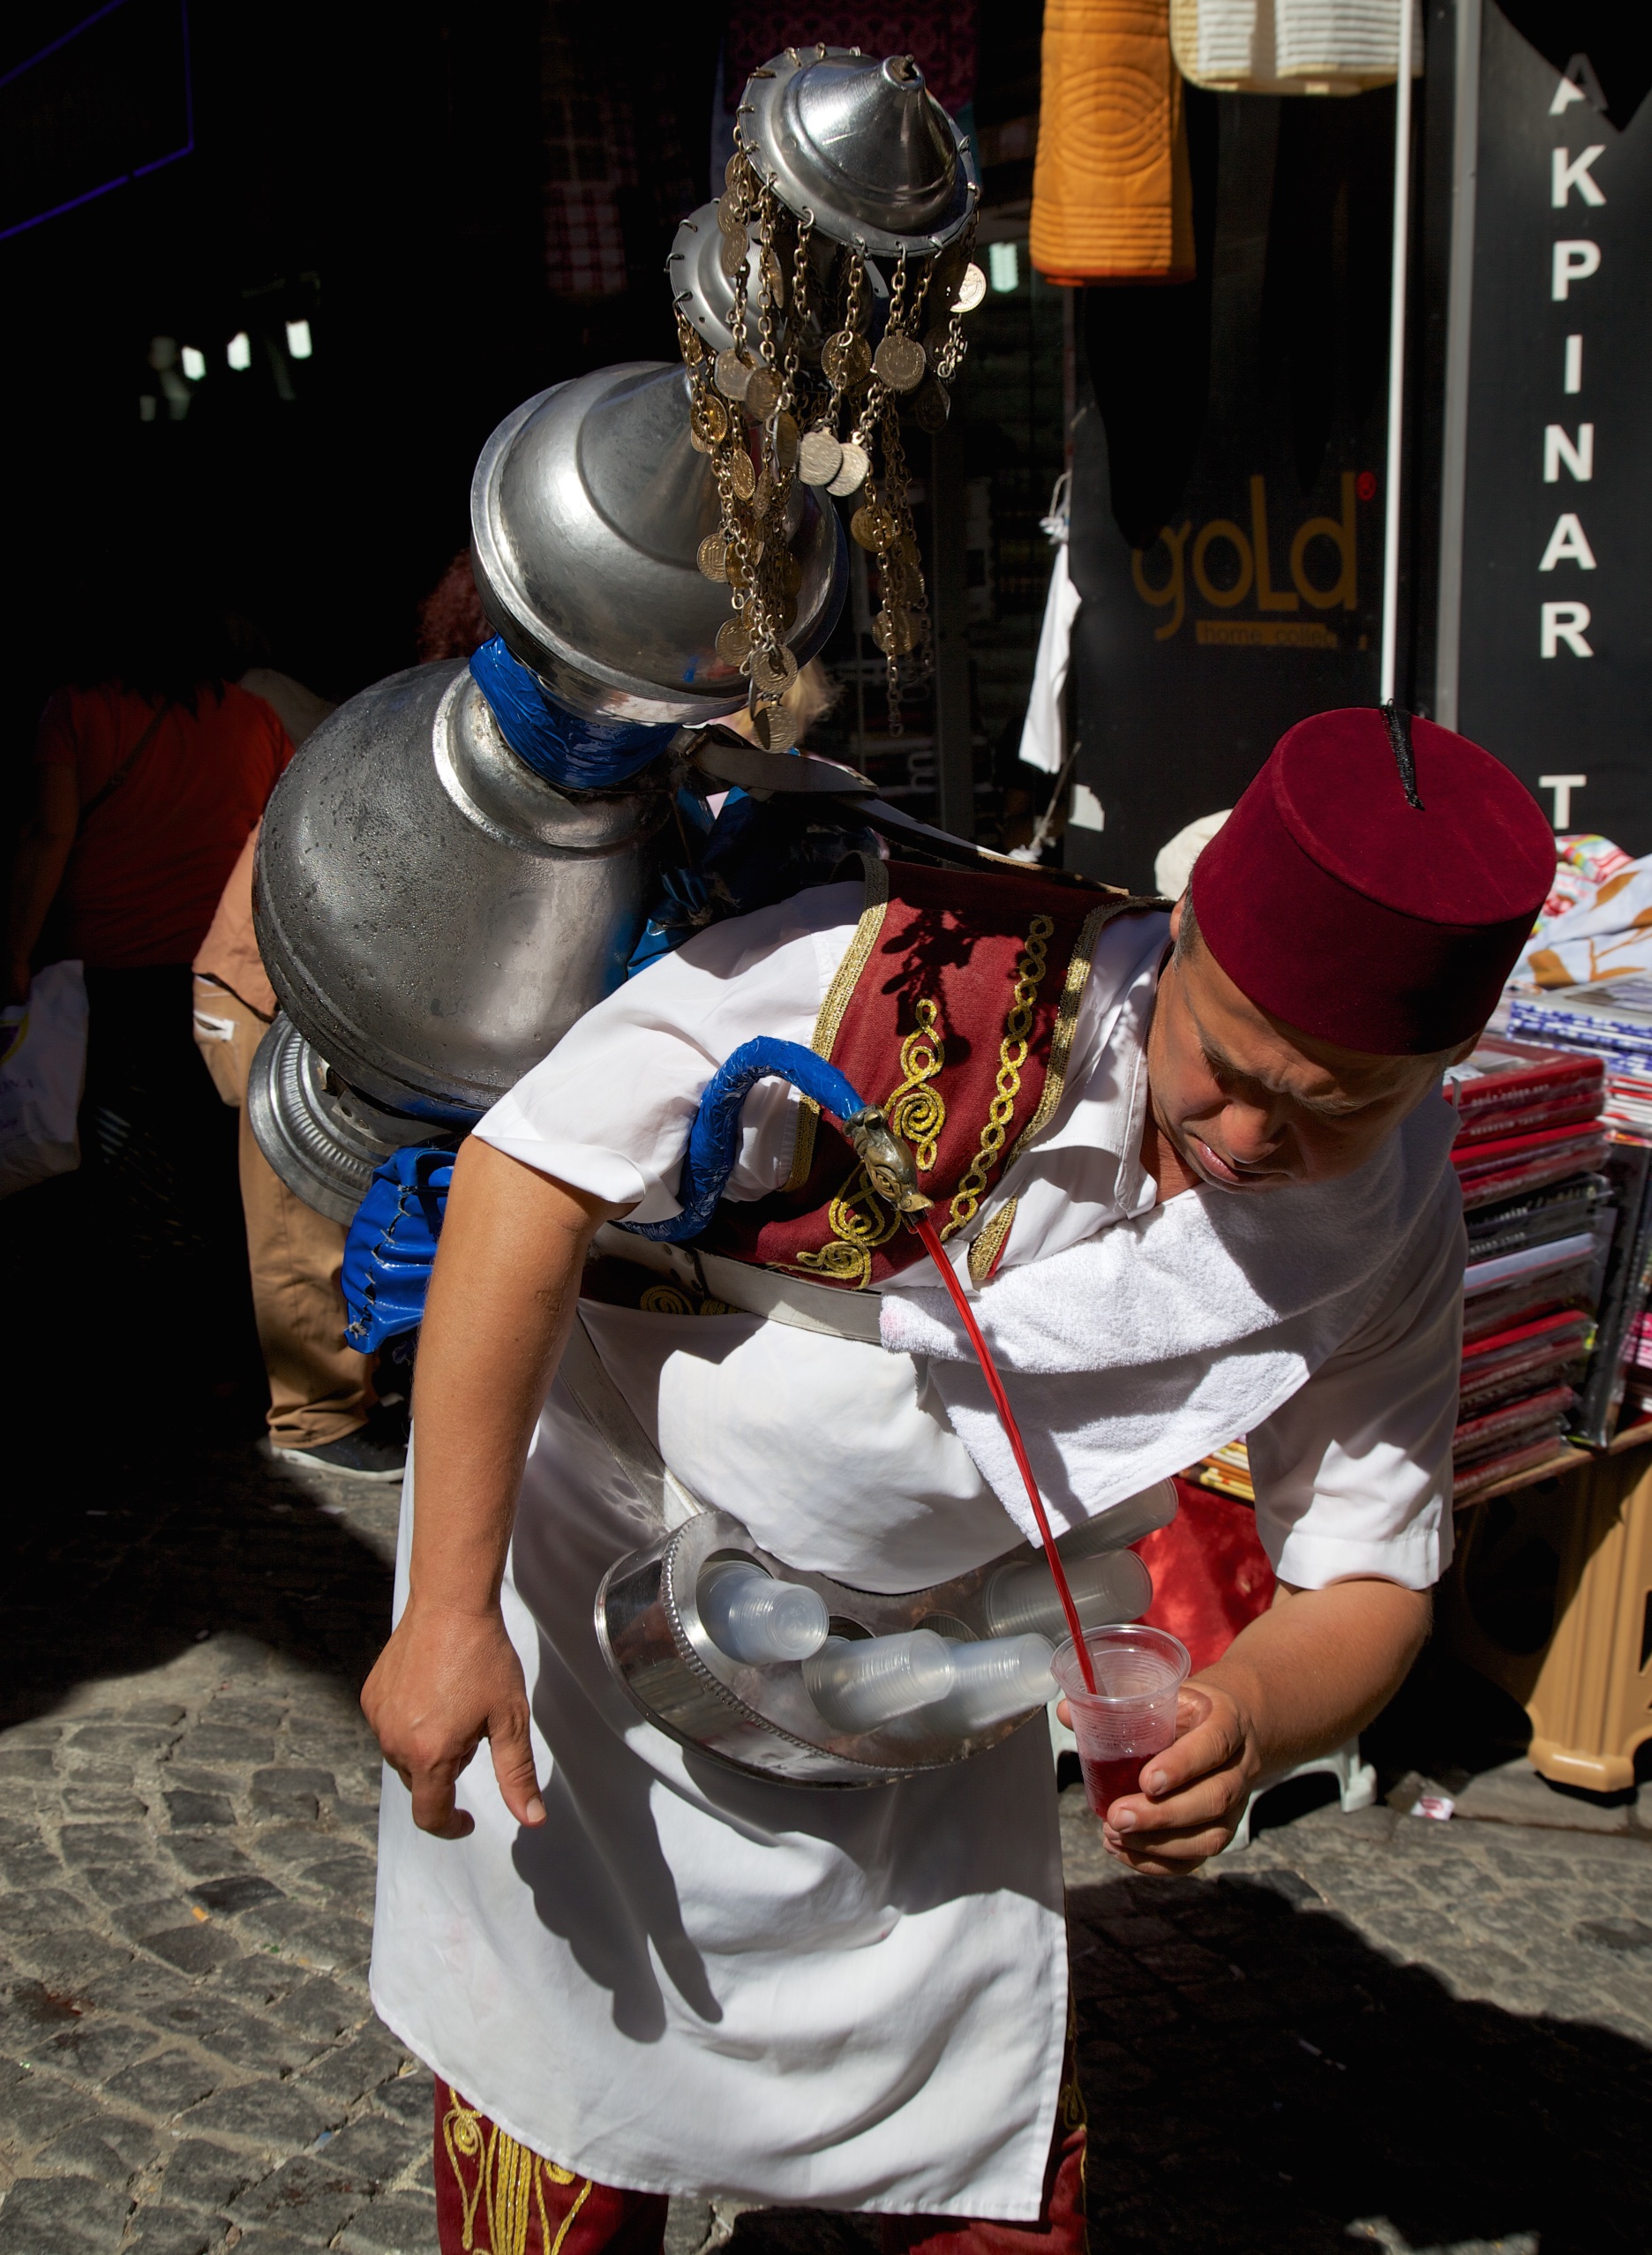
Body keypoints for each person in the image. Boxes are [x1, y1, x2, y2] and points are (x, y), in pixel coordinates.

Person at [361, 707, 1553, 2255]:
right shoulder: (905, 982)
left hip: (941, 1690)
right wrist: (449, 1607)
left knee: (977, 2167)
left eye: (1337, 1104)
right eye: (1232, 1065)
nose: (1256, 1136)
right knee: (573, 2107)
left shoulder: (1387, 1224)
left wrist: (1247, 1717)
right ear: (1176, 935)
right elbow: (527, 1175)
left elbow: (1370, 1571)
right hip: (604, 1627)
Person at [6, 600, 292, 1324]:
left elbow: (48, 836)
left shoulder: (76, 710)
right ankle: (235, 1341)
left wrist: (12, 952)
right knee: (220, 1160)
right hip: (224, 979)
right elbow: (284, 836)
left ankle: (154, 1335)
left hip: (113, 974)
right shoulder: (254, 718)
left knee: (127, 1160)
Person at [193, 826, 406, 1479]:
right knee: (299, 1225)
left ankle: (350, 1393)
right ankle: (313, 1419)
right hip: (280, 999)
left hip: (325, 996)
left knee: (338, 1218)